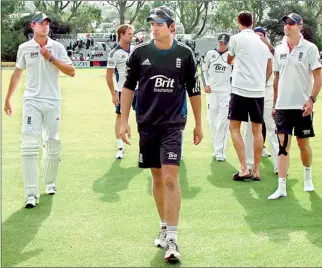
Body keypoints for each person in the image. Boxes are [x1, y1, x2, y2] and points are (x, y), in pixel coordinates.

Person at [119, 6, 203, 262]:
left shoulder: (185, 54)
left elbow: (195, 91)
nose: (153, 27)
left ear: (171, 27)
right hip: (147, 124)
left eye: (159, 23)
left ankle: (174, 238)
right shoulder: (139, 54)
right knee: (156, 176)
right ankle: (164, 226)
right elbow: (128, 87)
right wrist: (123, 121)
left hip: (173, 125)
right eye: (152, 23)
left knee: (169, 177)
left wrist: (199, 124)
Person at [3, 12, 75, 208]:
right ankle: (30, 194)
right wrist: (8, 98)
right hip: (31, 101)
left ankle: (50, 183)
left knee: (52, 144)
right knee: (28, 145)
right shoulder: (24, 48)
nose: (45, 26)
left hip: (52, 101)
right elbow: (17, 74)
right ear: (32, 26)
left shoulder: (57, 47)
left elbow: (71, 71)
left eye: (47, 23)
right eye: (40, 23)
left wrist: (50, 57)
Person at [268, 13, 322, 200]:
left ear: (300, 26)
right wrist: (275, 104)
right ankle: (281, 187)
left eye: (291, 23)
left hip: (302, 106)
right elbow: (276, 79)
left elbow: (317, 77)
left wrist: (311, 100)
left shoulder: (310, 48)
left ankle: (308, 176)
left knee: (303, 144)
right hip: (283, 106)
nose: (287, 26)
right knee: (283, 146)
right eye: (285, 23)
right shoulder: (279, 49)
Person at [227, 11, 272, 181]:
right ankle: (257, 170)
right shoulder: (262, 44)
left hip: (240, 89)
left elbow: (229, 60)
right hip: (258, 91)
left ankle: (244, 168)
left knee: (234, 128)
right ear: (252, 23)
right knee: (257, 130)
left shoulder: (236, 38)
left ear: (239, 22)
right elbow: (269, 67)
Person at [243, 26, 279, 174]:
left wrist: (268, 45)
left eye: (261, 36)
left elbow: (273, 68)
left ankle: (279, 164)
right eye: (256, 35)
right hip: (250, 92)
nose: (258, 38)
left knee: (272, 128)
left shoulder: (270, 51)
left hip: (267, 91)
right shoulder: (248, 50)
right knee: (248, 129)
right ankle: (249, 164)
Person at [202, 33, 232, 161]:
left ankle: (220, 152)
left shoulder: (231, 56)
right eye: (220, 42)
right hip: (212, 92)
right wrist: (206, 84)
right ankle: (216, 147)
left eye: (224, 43)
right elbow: (203, 69)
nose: (221, 44)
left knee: (223, 122)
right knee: (212, 121)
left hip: (226, 92)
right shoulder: (210, 54)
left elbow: (236, 72)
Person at [106, 24, 134, 159]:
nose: (131, 35)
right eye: (129, 33)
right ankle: (120, 147)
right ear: (121, 35)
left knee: (143, 116)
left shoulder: (135, 50)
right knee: (120, 117)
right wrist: (113, 93)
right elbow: (109, 75)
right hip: (122, 91)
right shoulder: (114, 53)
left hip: (139, 90)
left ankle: (145, 148)